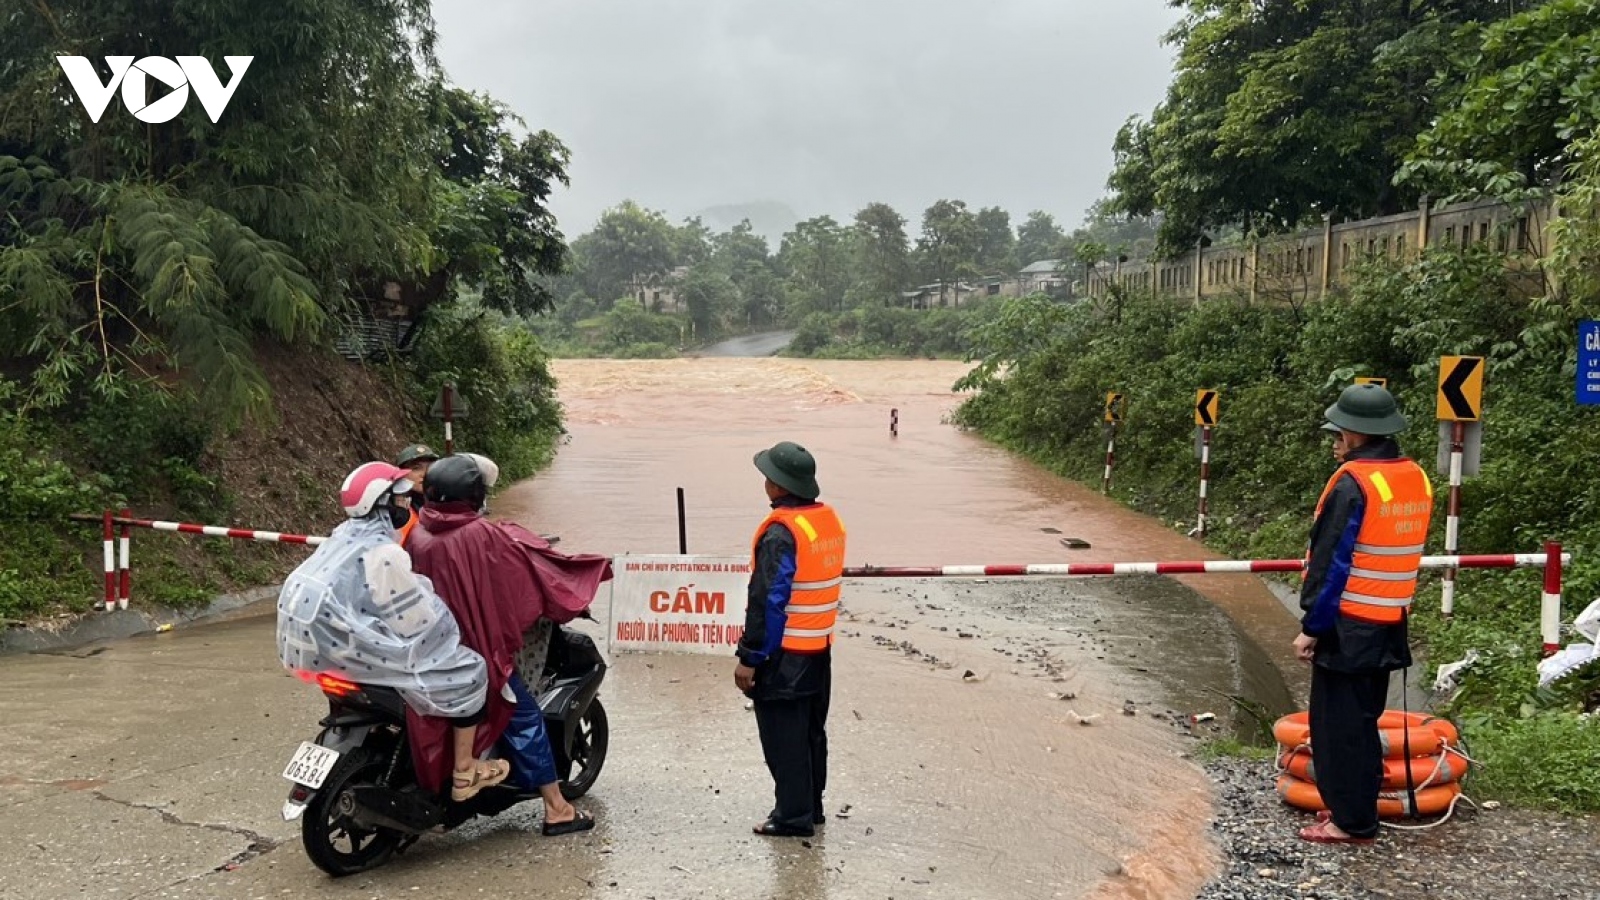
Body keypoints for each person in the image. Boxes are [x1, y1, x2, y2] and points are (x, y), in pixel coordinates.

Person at [275, 462, 510, 802]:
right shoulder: (383, 553)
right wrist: (452, 621)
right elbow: (415, 621)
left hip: (312, 652)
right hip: (353, 652)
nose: (405, 505)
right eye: (399, 500)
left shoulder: (342, 536)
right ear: (382, 505)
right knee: (470, 671)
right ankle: (464, 771)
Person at [407, 454, 612, 837]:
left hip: (428, 649)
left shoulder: (418, 533)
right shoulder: (482, 534)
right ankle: (556, 808)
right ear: (473, 494)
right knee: (525, 716)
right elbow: (526, 578)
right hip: (475, 651)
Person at [1295, 384, 1433, 844]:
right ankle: (1356, 808)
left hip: (1347, 626)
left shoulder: (1355, 483)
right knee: (1362, 720)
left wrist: (1311, 627)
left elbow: (1332, 563)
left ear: (1357, 434)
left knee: (1338, 729)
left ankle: (1351, 822)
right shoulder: (1414, 476)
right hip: (1388, 621)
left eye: (1338, 432)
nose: (1334, 440)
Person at [734, 441, 846, 838]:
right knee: (812, 733)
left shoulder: (781, 533)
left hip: (786, 657)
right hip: (819, 650)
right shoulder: (827, 521)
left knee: (785, 739)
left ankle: (792, 817)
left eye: (768, 477)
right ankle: (811, 807)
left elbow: (767, 600)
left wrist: (750, 657)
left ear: (779, 487)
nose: (765, 482)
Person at [393, 444, 440, 544]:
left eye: (430, 467)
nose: (424, 474)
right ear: (400, 473)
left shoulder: (446, 505)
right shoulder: (393, 512)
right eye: (416, 468)